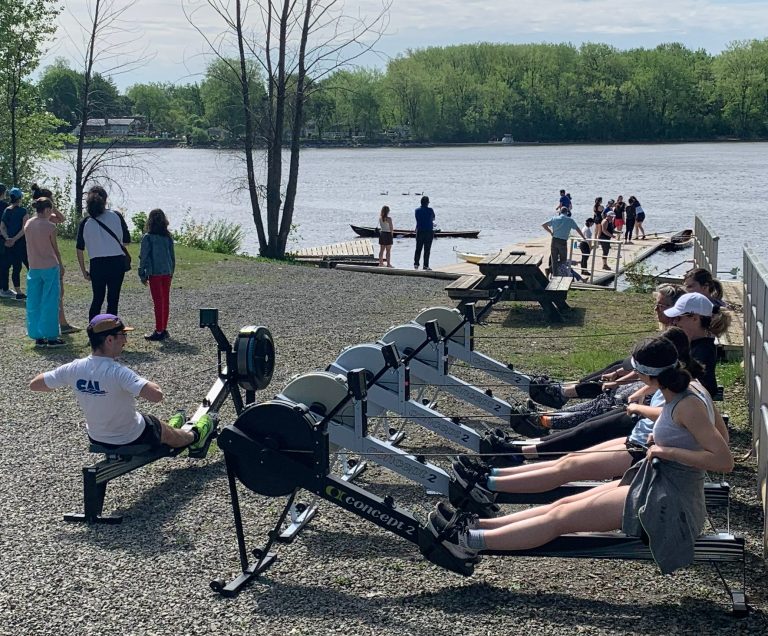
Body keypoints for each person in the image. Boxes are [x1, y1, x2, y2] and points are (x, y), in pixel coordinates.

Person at [432, 334, 733, 570]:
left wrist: (668, 451)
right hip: (655, 482)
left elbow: (723, 460)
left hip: (667, 502)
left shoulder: (687, 401)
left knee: (561, 517)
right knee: (561, 505)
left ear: (647, 377)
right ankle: (478, 525)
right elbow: (718, 432)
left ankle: (467, 542)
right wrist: (669, 440)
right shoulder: (690, 388)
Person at [29, 314, 215, 453]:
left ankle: (171, 427)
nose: (125, 341)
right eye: (122, 336)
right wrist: (152, 383)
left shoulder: (74, 368)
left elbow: (35, 385)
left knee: (147, 420)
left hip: (97, 437)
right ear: (109, 340)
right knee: (157, 425)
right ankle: (195, 437)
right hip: (130, 436)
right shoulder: (117, 372)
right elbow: (156, 396)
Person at [76, 185, 131, 320]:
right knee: (113, 299)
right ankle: (110, 331)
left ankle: (93, 331)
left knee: (97, 299)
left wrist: (84, 271)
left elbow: (79, 249)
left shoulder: (86, 222)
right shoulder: (115, 216)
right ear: (105, 200)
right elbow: (126, 241)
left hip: (97, 264)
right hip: (116, 261)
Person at [31, 184, 80, 334]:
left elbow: (61, 218)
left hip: (36, 262)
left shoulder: (31, 221)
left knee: (43, 294)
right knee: (57, 293)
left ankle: (48, 324)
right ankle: (62, 324)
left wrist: (50, 206)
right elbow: (55, 247)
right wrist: (52, 205)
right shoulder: (48, 223)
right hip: (50, 261)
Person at [663, 292, 731, 397]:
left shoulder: (703, 349)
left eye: (678, 317)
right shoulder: (694, 343)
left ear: (695, 318)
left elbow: (683, 378)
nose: (674, 322)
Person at [24, 197, 65, 347]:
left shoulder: (28, 224)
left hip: (34, 267)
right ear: (47, 210)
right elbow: (55, 249)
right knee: (50, 301)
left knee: (34, 301)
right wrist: (61, 265)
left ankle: (37, 336)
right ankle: (52, 336)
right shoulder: (50, 226)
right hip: (49, 266)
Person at [138, 209, 176, 341]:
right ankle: (163, 328)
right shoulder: (167, 237)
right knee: (165, 301)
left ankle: (159, 330)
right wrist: (172, 271)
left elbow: (144, 256)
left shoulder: (148, 237)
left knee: (158, 302)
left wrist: (141, 273)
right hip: (167, 272)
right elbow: (172, 256)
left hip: (155, 272)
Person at [0, 187, 29, 300]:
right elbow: (24, 228)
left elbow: (2, 227)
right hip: (20, 244)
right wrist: (15, 239)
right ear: (20, 198)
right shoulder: (23, 211)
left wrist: (8, 238)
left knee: (12, 267)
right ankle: (28, 290)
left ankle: (18, 291)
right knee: (24, 266)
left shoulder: (7, 210)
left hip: (8, 244)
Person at [541, 207, 584, 278]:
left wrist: (550, 232)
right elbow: (577, 229)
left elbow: (544, 225)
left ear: (560, 212)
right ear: (567, 212)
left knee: (554, 259)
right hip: (563, 241)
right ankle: (561, 275)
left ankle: (554, 275)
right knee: (563, 260)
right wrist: (583, 237)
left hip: (554, 240)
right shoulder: (570, 220)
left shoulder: (554, 218)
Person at [413, 195, 435, 271]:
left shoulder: (417, 210)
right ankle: (425, 265)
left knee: (418, 248)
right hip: (429, 231)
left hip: (420, 231)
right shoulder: (430, 210)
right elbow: (433, 218)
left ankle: (416, 264)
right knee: (427, 249)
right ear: (427, 203)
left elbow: (418, 219)